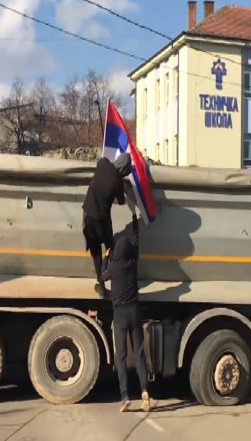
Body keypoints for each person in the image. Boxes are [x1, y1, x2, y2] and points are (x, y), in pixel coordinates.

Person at [101, 207, 151, 413]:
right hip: (135, 312)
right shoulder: (132, 263)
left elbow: (102, 276)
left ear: (115, 253)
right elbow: (136, 241)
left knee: (121, 356)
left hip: (120, 315)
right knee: (139, 354)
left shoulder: (113, 267)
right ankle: (145, 391)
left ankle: (124, 396)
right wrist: (134, 217)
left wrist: (105, 257)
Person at [82, 153, 132, 296]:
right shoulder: (117, 183)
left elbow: (103, 160)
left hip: (87, 216)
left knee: (95, 250)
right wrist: (124, 186)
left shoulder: (103, 164)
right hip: (101, 221)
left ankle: (101, 284)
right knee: (111, 247)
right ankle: (118, 279)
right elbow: (121, 201)